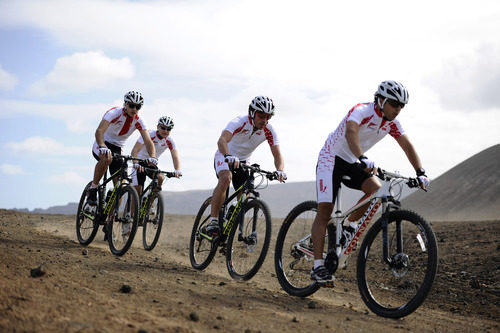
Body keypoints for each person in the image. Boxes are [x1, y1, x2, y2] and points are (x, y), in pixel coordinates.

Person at [310, 80, 430, 284]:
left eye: (402, 106)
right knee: (324, 211)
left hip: (352, 160)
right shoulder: (362, 110)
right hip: (331, 158)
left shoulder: (391, 123)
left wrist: (420, 172)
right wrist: (363, 157)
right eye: (394, 104)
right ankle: (317, 267)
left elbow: (407, 146)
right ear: (381, 100)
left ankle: (349, 225)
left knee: (376, 189)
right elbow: (351, 133)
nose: (398, 109)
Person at [205, 96, 287, 235]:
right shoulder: (239, 122)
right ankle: (213, 220)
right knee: (225, 178)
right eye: (261, 115)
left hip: (243, 161)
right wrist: (228, 156)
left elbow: (277, 155)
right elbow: (222, 140)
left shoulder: (269, 130)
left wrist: (280, 170)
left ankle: (231, 214)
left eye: (268, 117)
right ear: (252, 113)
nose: (264, 120)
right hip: (225, 155)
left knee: (246, 195)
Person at [87, 91, 157, 206]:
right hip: (102, 142)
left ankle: (108, 218)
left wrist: (153, 157)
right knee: (107, 159)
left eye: (138, 107)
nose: (134, 109)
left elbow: (148, 141)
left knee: (120, 187)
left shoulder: (139, 121)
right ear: (125, 104)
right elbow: (99, 131)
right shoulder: (114, 113)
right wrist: (102, 146)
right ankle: (93, 188)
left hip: (118, 149)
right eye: (131, 105)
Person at [130, 116, 182, 196]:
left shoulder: (170, 141)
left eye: (168, 129)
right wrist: (135, 163)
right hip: (139, 163)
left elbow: (175, 156)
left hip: (151, 164)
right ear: (158, 126)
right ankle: (134, 207)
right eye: (163, 128)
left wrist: (177, 170)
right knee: (138, 192)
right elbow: (135, 150)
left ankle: (150, 202)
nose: (165, 131)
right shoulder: (149, 134)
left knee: (161, 178)